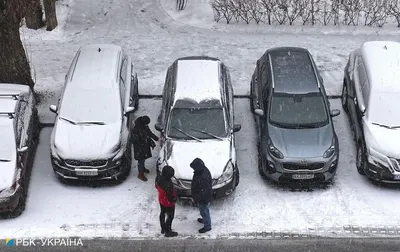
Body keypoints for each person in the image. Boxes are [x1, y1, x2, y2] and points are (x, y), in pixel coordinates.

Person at [131, 115, 159, 181]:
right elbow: (132, 140)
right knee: (141, 160)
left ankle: (143, 169)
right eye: (146, 124)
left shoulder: (144, 126)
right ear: (143, 123)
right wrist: (137, 138)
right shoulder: (136, 129)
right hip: (139, 148)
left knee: (143, 159)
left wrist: (157, 139)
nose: (147, 125)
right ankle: (140, 174)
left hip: (144, 146)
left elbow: (149, 133)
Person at [190, 158, 213, 233]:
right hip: (202, 197)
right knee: (203, 210)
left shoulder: (202, 176)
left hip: (203, 198)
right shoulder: (202, 171)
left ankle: (207, 226)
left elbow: (203, 191)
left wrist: (197, 198)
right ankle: (205, 220)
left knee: (204, 211)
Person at [155, 165, 178, 237]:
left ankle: (163, 227)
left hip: (161, 200)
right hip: (168, 203)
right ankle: (168, 231)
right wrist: (174, 199)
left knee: (162, 213)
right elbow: (171, 197)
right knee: (170, 216)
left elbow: (156, 186)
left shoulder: (158, 177)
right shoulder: (168, 185)